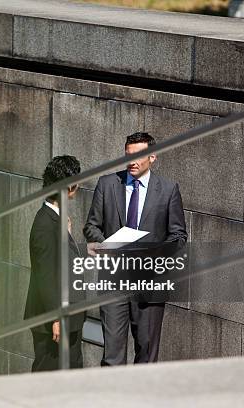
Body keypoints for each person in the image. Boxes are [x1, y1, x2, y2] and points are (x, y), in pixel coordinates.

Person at [84, 132, 187, 365]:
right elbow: (91, 227)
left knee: (147, 357)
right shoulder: (107, 184)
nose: (132, 161)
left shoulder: (169, 190)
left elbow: (178, 236)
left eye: (138, 156)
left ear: (152, 157)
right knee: (112, 357)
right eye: (128, 155)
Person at [24, 155, 86, 372]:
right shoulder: (45, 225)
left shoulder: (56, 220)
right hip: (55, 322)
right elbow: (46, 276)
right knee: (49, 379)